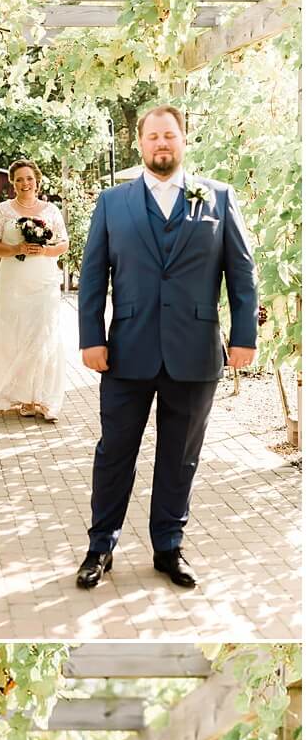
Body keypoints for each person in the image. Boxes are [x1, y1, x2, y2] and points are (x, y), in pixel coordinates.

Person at [75, 104, 258, 591]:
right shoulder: (113, 202)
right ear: (140, 143)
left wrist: (244, 337)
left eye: (170, 136)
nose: (162, 143)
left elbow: (241, 273)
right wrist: (91, 337)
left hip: (194, 352)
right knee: (115, 452)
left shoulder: (218, 197)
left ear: (183, 140)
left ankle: (169, 547)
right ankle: (100, 547)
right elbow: (93, 275)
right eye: (153, 136)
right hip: (126, 351)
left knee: (180, 457)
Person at [0, 160, 70, 423]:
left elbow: (64, 243)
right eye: (20, 179)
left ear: (37, 180)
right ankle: (23, 397)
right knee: (15, 334)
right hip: (13, 282)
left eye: (29, 179)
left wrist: (44, 250)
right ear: (12, 182)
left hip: (44, 281)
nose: (25, 184)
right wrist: (15, 250)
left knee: (43, 334)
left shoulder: (51, 210)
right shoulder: (2, 211)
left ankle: (44, 398)